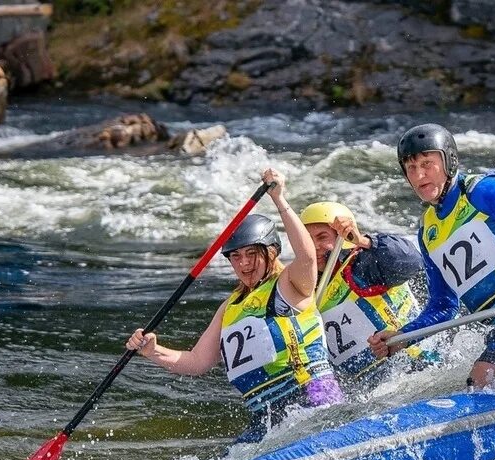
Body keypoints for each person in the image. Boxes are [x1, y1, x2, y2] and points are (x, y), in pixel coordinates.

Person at [126, 168, 342, 443]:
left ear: (272, 252)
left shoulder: (289, 284)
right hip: (265, 416)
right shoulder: (229, 307)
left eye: (252, 254)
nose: (244, 264)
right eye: (236, 256)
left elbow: (308, 257)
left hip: (313, 397)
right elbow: (197, 362)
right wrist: (153, 351)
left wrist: (279, 199)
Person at [367, 124, 495, 387]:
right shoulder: (428, 230)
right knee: (479, 383)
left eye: (427, 164)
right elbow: (443, 306)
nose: (419, 175)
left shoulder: (482, 192)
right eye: (411, 168)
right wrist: (401, 338)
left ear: (449, 162)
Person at [300, 200, 431, 385]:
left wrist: (362, 241)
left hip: (415, 365)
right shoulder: (303, 288)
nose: (314, 247)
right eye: (307, 239)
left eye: (322, 237)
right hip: (368, 388)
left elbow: (412, 261)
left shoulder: (362, 265)